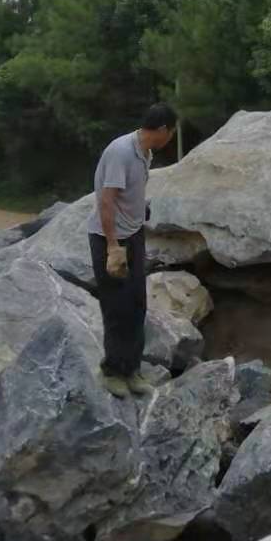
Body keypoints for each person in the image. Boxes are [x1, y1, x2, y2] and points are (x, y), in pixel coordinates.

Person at [86, 103, 177, 397]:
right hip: (110, 239)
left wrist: (141, 213)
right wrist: (112, 247)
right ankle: (112, 371)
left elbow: (130, 193)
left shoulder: (145, 152)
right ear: (162, 130)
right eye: (172, 132)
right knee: (116, 306)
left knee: (137, 303)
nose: (171, 138)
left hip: (134, 235)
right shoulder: (121, 152)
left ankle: (132, 370)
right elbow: (106, 201)